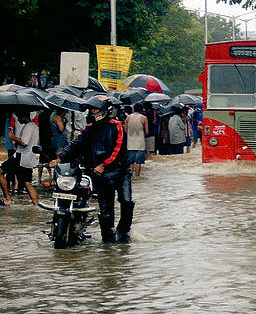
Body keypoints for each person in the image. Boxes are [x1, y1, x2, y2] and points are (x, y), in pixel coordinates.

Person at [49, 96, 134, 243]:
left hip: (120, 171)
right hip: (100, 174)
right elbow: (75, 145)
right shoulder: (88, 129)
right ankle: (107, 239)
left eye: (95, 109)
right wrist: (60, 158)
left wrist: (104, 164)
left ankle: (123, 231)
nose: (92, 112)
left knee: (126, 201)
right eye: (91, 109)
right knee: (106, 209)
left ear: (104, 110)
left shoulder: (117, 126)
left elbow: (118, 148)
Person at [0, 110, 39, 206]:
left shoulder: (29, 126)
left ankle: (7, 198)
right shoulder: (34, 126)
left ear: (23, 116)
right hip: (27, 158)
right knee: (28, 183)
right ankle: (36, 205)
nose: (18, 120)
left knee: (0, 172)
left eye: (19, 118)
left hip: (21, 157)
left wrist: (12, 137)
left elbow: (24, 142)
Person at [124, 102, 148, 177]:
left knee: (131, 161)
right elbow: (147, 131)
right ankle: (137, 176)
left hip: (130, 142)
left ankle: (131, 176)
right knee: (138, 162)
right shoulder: (144, 118)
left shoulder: (128, 117)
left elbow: (125, 130)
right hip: (140, 142)